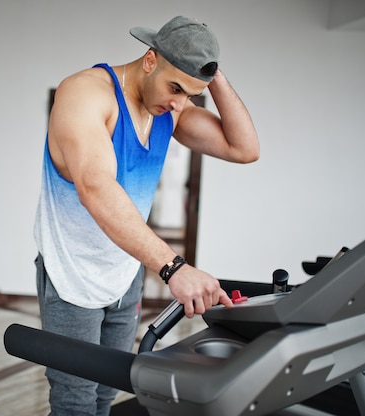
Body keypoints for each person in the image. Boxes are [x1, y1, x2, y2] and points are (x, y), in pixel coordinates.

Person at [33, 16, 260, 416]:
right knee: (76, 404)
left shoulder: (169, 110)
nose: (177, 102)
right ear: (150, 60)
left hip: (124, 274)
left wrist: (212, 75)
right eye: (175, 87)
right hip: (73, 275)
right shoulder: (86, 93)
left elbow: (244, 149)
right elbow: (96, 188)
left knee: (106, 397)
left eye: (189, 95)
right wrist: (174, 268)